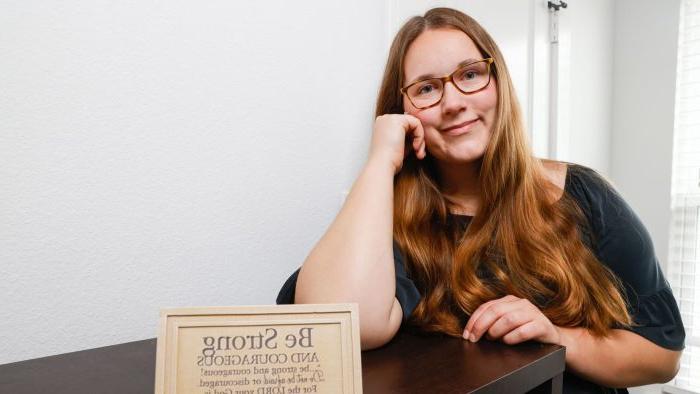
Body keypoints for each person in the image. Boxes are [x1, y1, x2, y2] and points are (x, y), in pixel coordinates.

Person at [276, 7, 685, 392]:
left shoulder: (584, 194)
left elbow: (662, 355)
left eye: (470, 75)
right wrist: (380, 160)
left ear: (498, 83)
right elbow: (336, 328)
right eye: (427, 88)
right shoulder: (389, 220)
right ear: (402, 111)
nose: (453, 103)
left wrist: (558, 337)